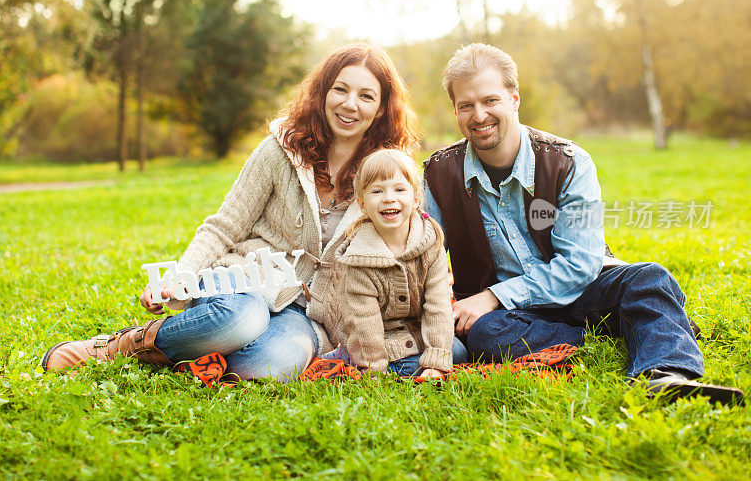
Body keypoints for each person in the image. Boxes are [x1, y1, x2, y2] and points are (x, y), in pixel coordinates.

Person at [42, 43, 421, 382]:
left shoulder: (391, 175)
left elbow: (408, 249)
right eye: (341, 89)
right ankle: (119, 346)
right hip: (242, 283)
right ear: (323, 92)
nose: (350, 104)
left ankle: (206, 342)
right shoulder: (279, 151)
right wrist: (182, 276)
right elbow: (225, 227)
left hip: (309, 314)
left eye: (366, 96)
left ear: (382, 108)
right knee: (243, 319)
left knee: (267, 367)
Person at [423, 43, 744, 405]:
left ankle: (666, 374)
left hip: (579, 291)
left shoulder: (568, 163)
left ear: (514, 99)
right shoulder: (438, 174)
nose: (479, 115)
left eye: (490, 100)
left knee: (648, 278)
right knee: (484, 336)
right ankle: (621, 328)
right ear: (455, 110)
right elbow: (420, 257)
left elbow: (580, 265)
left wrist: (494, 296)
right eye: (466, 105)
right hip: (504, 316)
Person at [308, 149, 454, 378]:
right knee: (407, 368)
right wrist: (374, 369)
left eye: (399, 189)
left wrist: (436, 359)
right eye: (377, 191)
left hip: (414, 334)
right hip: (375, 341)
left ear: (415, 198)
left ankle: (421, 360)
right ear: (363, 203)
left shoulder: (429, 242)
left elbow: (438, 304)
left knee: (456, 352)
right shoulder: (359, 257)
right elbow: (363, 321)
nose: (389, 198)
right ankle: (344, 354)